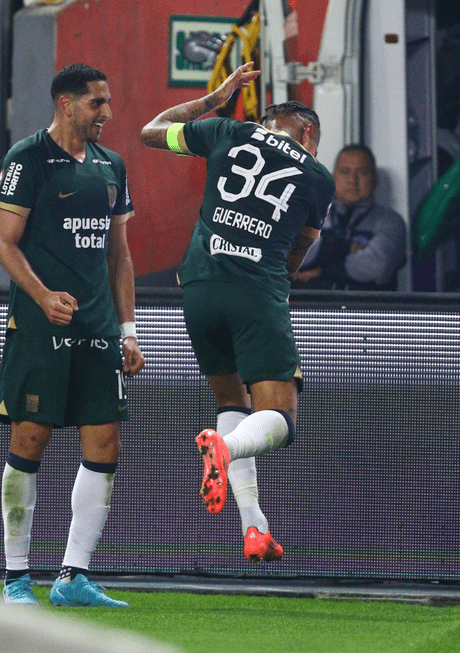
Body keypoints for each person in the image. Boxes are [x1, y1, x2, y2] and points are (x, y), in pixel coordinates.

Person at [140, 63, 334, 562]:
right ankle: (223, 452)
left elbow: (150, 131)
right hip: (255, 290)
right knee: (280, 418)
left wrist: (217, 98)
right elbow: (296, 253)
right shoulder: (316, 177)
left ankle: (254, 527)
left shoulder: (227, 129)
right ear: (307, 131)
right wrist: (275, 289)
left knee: (234, 405)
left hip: (199, 287)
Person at [0, 63, 145, 607]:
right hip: (39, 326)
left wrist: (128, 331)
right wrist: (42, 296)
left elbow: (119, 254)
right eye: (96, 102)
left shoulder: (112, 165)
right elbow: (4, 243)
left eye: (107, 101)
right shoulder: (26, 159)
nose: (107, 112)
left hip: (99, 328)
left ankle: (72, 576)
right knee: (29, 439)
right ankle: (15, 579)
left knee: (105, 443)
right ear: (66, 104)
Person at [291, 144, 406, 290]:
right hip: (311, 310)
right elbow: (289, 256)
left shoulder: (391, 222)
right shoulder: (308, 215)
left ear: (375, 180)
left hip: (367, 310)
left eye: (362, 172)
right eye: (345, 172)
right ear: (332, 179)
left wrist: (321, 271)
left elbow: (376, 266)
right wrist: (343, 246)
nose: (352, 180)